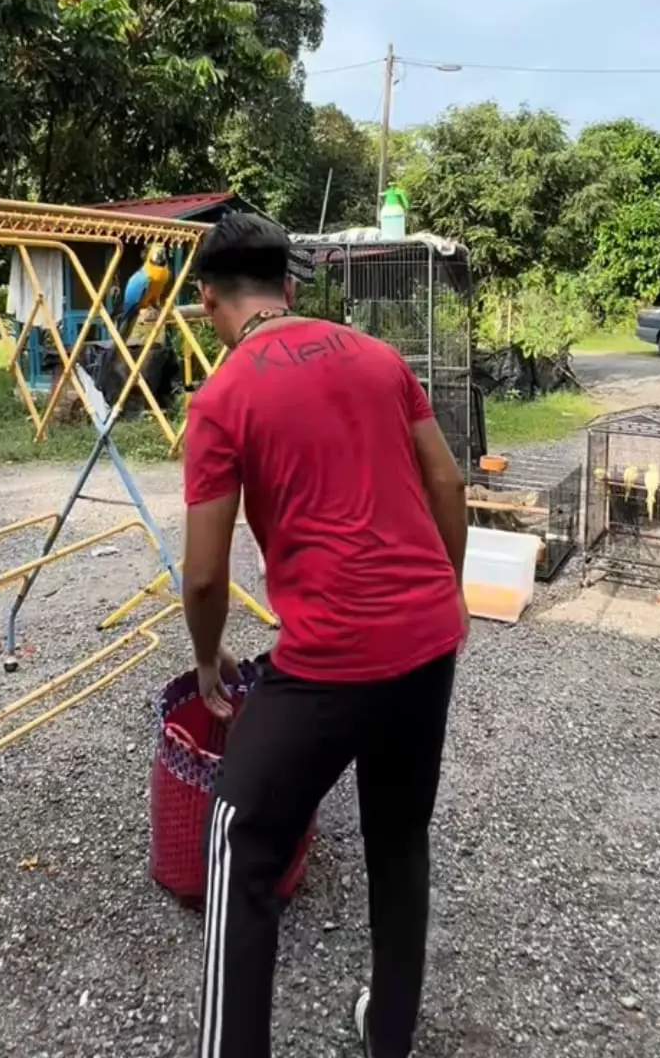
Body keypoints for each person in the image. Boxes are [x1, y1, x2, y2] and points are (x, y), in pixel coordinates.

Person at [182, 213, 469, 1058]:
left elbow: (203, 576)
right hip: (427, 642)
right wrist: (442, 601)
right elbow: (448, 484)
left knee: (241, 842)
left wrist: (206, 661)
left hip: (328, 660)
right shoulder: (380, 358)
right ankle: (390, 1034)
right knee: (399, 836)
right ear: (290, 286)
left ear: (208, 303)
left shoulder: (222, 398)